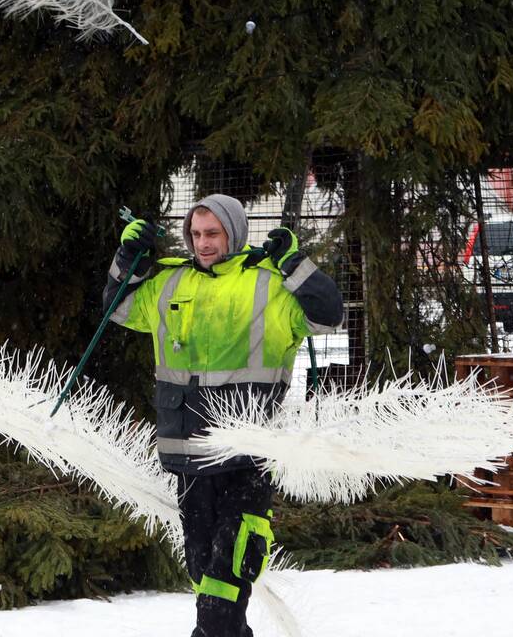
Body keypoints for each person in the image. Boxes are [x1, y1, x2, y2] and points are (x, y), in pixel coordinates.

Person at [103, 194, 343, 637]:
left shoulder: (269, 284)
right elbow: (117, 307)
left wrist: (293, 264)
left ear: (233, 233)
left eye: (212, 233)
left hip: (245, 459)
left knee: (230, 567)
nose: (202, 243)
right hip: (187, 455)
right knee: (203, 570)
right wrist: (129, 258)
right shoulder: (170, 282)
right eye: (195, 234)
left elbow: (328, 315)